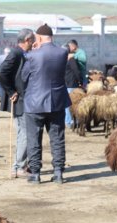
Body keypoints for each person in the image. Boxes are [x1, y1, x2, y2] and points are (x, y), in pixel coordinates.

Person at [21, 23, 70, 184]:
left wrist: (32, 51)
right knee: (57, 138)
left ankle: (35, 173)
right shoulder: (63, 52)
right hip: (57, 101)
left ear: (39, 37)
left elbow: (24, 76)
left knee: (34, 138)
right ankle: (58, 172)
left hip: (35, 102)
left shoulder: (33, 55)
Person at [0, 28, 35, 179]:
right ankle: (19, 167)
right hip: (19, 100)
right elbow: (1, 73)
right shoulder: (16, 53)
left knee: (22, 133)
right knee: (24, 133)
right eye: (32, 40)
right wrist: (11, 91)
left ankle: (18, 166)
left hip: (21, 99)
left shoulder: (22, 53)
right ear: (27, 40)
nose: (34, 43)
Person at [63, 43, 82, 128]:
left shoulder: (62, 59)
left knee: (67, 104)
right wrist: (80, 81)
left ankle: (68, 121)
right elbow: (76, 71)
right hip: (72, 84)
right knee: (74, 103)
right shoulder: (71, 60)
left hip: (65, 84)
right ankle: (74, 121)